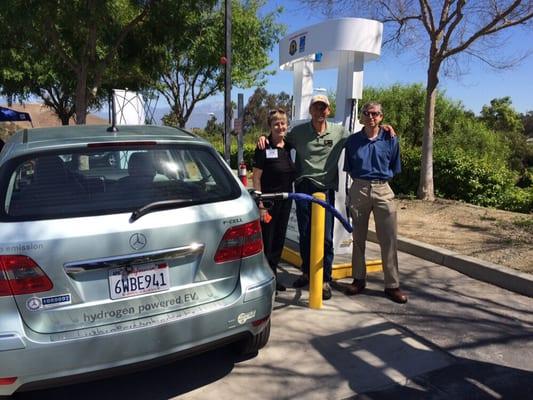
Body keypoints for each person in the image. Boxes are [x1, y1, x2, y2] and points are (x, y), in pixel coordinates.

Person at [258, 95, 349, 300]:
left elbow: (361, 138)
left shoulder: (339, 132)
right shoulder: (298, 133)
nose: (320, 112)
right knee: (306, 234)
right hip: (302, 189)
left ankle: (324, 278)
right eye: (316, 108)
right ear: (311, 110)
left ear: (328, 110)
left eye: (323, 108)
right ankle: (308, 272)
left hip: (324, 190)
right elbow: (278, 136)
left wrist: (384, 128)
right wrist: (263, 137)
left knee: (325, 237)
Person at [343, 101, 407, 303]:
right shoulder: (352, 141)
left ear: (381, 117)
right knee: (358, 238)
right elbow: (349, 167)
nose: (371, 117)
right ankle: (359, 279)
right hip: (359, 187)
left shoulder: (390, 138)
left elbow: (394, 165)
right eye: (367, 113)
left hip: (382, 189)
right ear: (362, 116)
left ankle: (392, 285)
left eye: (375, 114)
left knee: (388, 239)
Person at [252, 108, 296, 292]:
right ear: (270, 126)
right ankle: (264, 281)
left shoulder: (289, 146)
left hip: (285, 202)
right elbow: (256, 178)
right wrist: (261, 206)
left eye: (283, 123)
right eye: (276, 123)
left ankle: (273, 277)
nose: (280, 126)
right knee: (267, 243)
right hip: (268, 203)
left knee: (278, 241)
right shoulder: (264, 147)